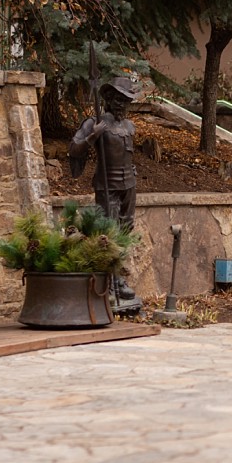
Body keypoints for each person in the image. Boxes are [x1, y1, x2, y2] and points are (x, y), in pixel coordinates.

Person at [69, 76, 140, 301]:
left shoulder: (129, 126)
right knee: (107, 232)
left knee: (124, 231)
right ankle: (107, 281)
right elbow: (73, 149)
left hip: (129, 184)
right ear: (108, 99)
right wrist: (92, 137)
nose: (121, 104)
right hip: (106, 184)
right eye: (117, 99)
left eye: (126, 100)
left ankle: (119, 277)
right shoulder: (95, 122)